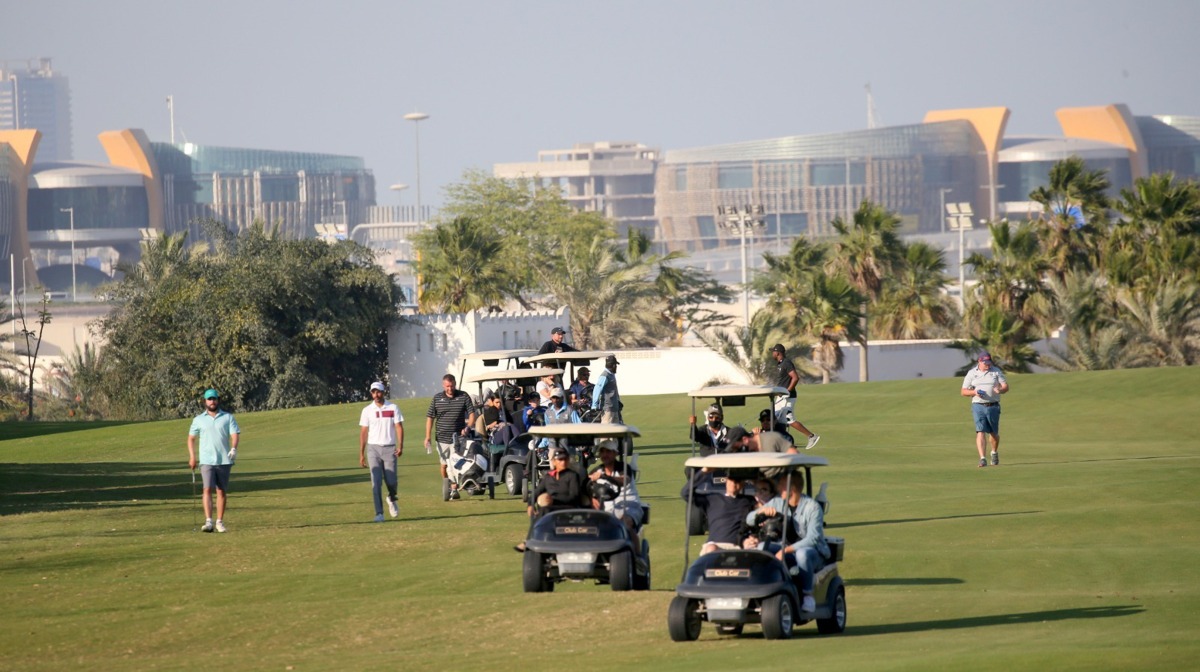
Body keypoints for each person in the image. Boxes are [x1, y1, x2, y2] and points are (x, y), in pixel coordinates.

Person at [745, 471, 830, 613]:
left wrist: (786, 550)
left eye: (782, 486)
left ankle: (807, 595)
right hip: (785, 548)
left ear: (792, 489)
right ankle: (764, 588)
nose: (778, 488)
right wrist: (761, 512)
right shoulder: (778, 502)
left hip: (813, 552)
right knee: (762, 547)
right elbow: (749, 519)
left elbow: (812, 539)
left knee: (802, 554)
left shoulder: (812, 507)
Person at [186, 388, 240, 533]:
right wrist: (192, 457)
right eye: (209, 399)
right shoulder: (198, 420)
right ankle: (208, 521)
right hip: (206, 460)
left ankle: (219, 522)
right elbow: (191, 439)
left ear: (218, 400)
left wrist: (233, 448)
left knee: (221, 491)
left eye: (214, 399)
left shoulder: (228, 417)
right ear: (205, 401)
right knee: (207, 489)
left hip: (224, 460)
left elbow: (235, 435)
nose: (212, 401)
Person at [514, 446, 588, 552]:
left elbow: (574, 495)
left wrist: (554, 500)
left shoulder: (572, 476)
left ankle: (530, 541)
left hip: (568, 507)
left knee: (544, 510)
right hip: (552, 507)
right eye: (560, 460)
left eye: (565, 459)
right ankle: (532, 540)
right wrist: (530, 504)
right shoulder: (549, 477)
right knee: (541, 510)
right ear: (554, 461)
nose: (563, 462)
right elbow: (536, 492)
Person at [588, 439, 646, 556]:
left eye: (608, 452)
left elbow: (624, 480)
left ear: (615, 453)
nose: (605, 455)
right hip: (606, 507)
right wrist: (592, 498)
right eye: (602, 451)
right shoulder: (597, 470)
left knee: (624, 524)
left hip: (629, 505)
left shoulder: (623, 468)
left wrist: (605, 477)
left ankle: (637, 557)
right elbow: (587, 486)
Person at [424, 374, 476, 500]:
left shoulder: (463, 396)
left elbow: (472, 414)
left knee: (455, 463)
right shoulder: (437, 398)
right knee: (444, 465)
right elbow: (430, 418)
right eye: (447, 386)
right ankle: (447, 483)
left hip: (458, 437)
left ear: (455, 384)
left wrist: (468, 427)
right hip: (442, 438)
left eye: (452, 386)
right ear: (443, 385)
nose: (450, 389)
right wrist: (427, 436)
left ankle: (454, 488)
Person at [359, 381, 404, 522]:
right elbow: (364, 432)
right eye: (373, 392)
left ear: (383, 392)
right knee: (376, 482)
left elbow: (399, 427)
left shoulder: (393, 407)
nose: (376, 395)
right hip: (373, 449)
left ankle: (391, 497)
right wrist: (361, 454)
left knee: (392, 481)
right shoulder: (367, 410)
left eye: (378, 392)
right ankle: (379, 513)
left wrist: (400, 446)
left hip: (389, 448)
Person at [961, 351, 1009, 467]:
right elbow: (963, 391)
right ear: (979, 361)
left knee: (993, 433)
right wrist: (974, 392)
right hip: (978, 405)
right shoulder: (972, 373)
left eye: (989, 362)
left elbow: (1005, 387)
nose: (988, 364)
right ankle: (982, 458)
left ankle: (994, 452)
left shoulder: (996, 371)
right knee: (980, 431)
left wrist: (1000, 390)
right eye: (985, 362)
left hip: (993, 406)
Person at [770, 344, 821, 450]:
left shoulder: (786, 363)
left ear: (778, 352)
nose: (772, 353)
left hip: (787, 397)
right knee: (779, 420)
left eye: (773, 351)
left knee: (788, 419)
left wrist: (787, 391)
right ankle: (783, 442)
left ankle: (812, 436)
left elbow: (795, 378)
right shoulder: (780, 364)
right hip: (782, 396)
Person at [699, 474, 755, 555]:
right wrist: (703, 472)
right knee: (711, 549)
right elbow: (686, 493)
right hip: (715, 545)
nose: (733, 484)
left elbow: (764, 501)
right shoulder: (712, 498)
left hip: (739, 545)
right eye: (731, 480)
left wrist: (755, 481)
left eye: (737, 481)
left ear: (742, 484)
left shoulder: (748, 501)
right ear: (726, 481)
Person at [592, 354, 622, 423]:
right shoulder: (605, 375)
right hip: (607, 410)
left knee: (616, 429)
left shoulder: (611, 375)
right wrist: (594, 405)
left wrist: (618, 401)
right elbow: (597, 389)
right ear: (613, 365)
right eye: (616, 365)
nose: (616, 367)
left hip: (614, 408)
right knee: (606, 429)